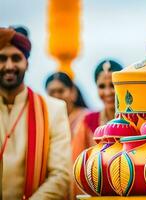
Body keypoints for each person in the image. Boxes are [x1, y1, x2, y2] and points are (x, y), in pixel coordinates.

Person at [0, 26, 71, 199]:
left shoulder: (53, 109)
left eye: (16, 58)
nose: (9, 66)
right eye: (2, 58)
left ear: (27, 63)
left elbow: (61, 176)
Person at [45, 72, 89, 161]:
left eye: (60, 91)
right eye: (52, 92)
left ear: (73, 92)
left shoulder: (87, 118)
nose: (56, 96)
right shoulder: (44, 121)